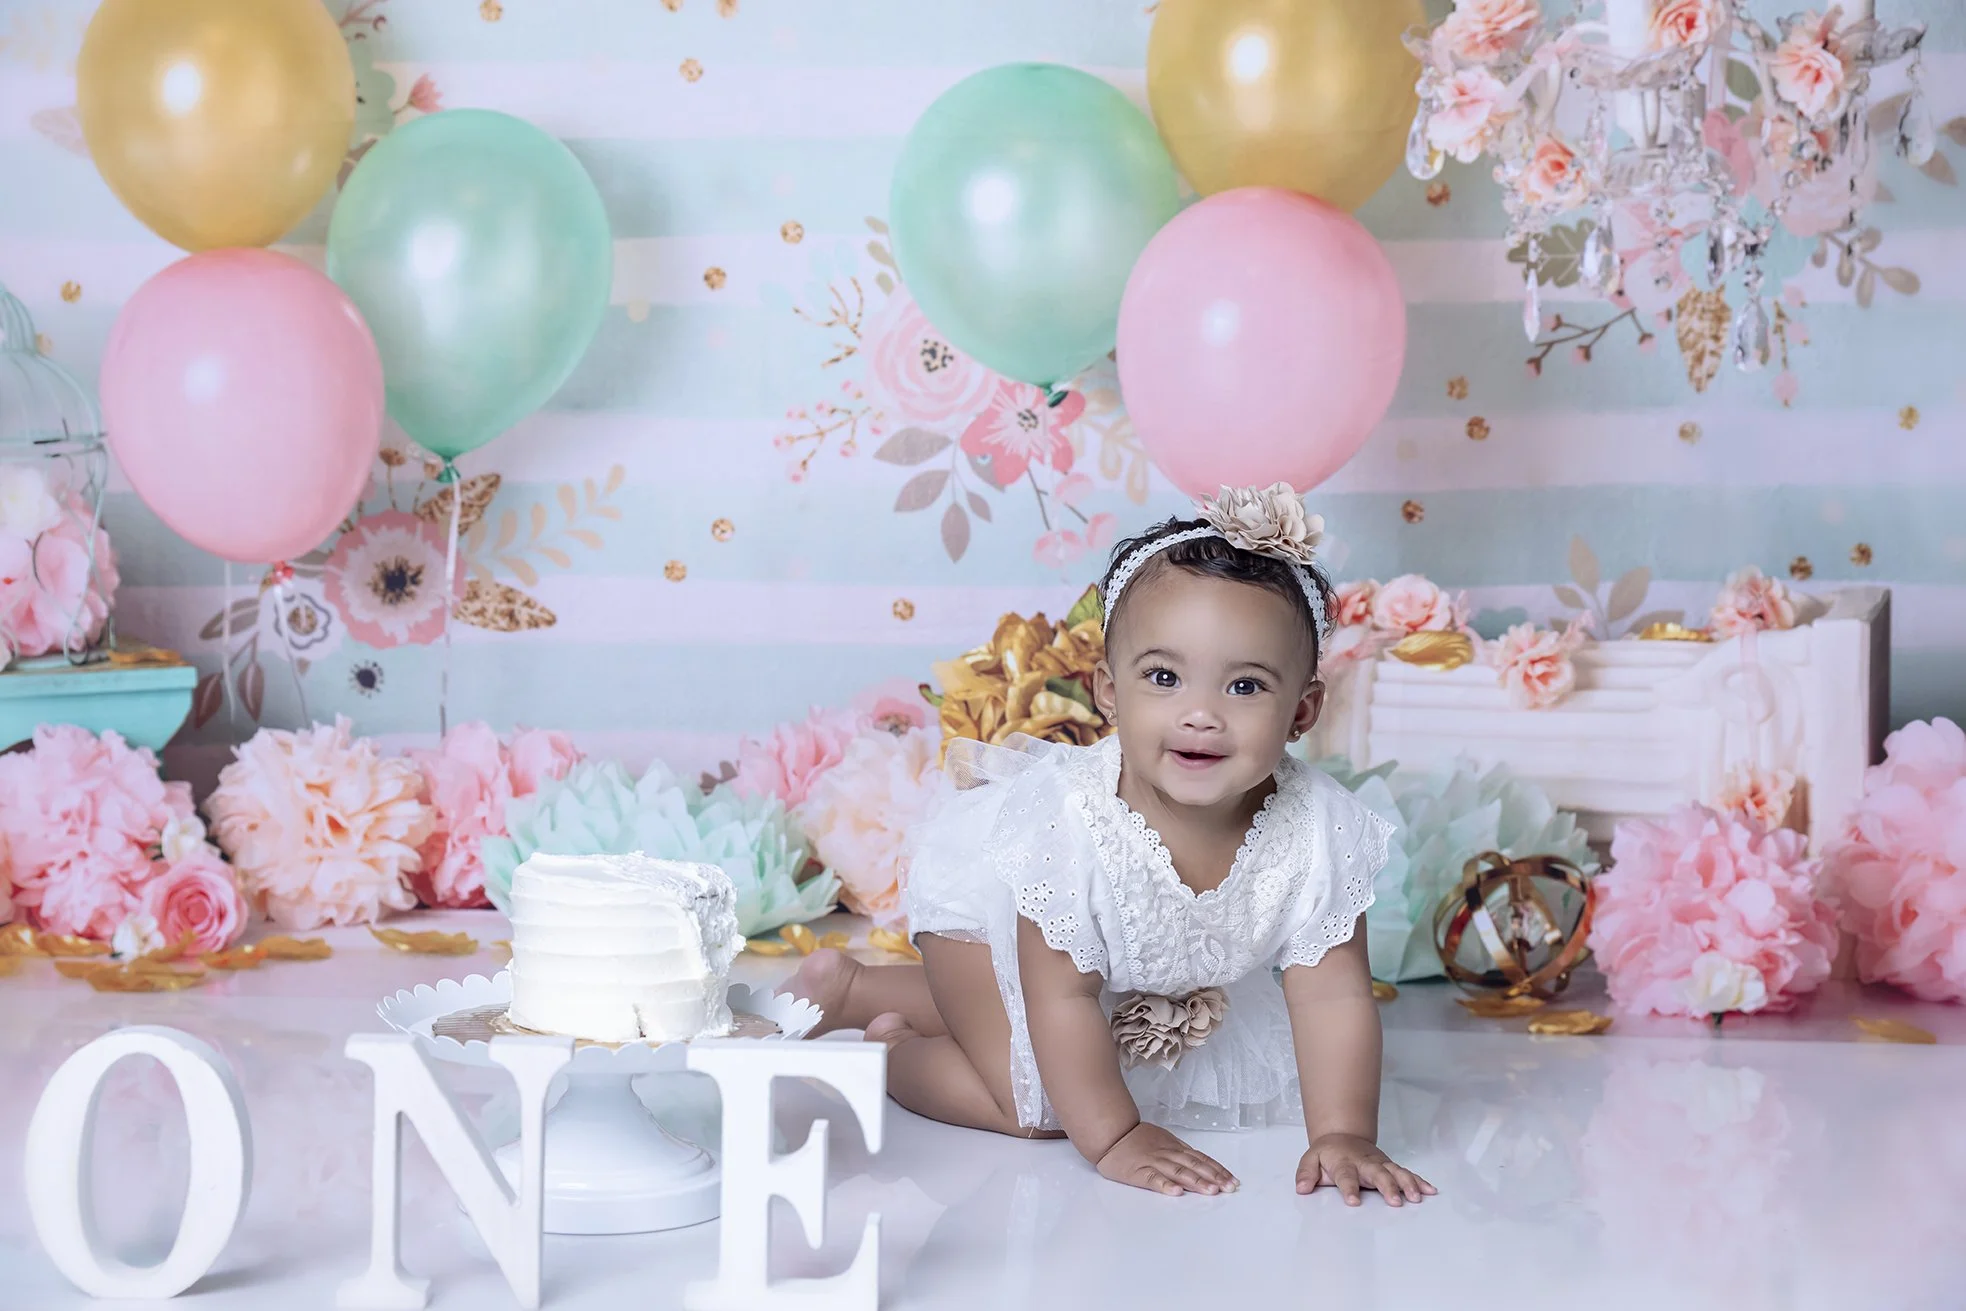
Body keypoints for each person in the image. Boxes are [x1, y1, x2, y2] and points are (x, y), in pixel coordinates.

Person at [783, 484, 1434, 1205]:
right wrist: (1116, 1135)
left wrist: (1344, 1132)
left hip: (1104, 967)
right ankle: (889, 1045)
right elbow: (1060, 995)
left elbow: (1332, 994)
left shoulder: (1319, 828)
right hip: (989, 923)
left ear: (1302, 711)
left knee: (1084, 1049)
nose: (1200, 714)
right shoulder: (1067, 827)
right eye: (1164, 677)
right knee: (1036, 1103)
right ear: (1108, 692)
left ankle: (860, 985)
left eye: (1246, 686)